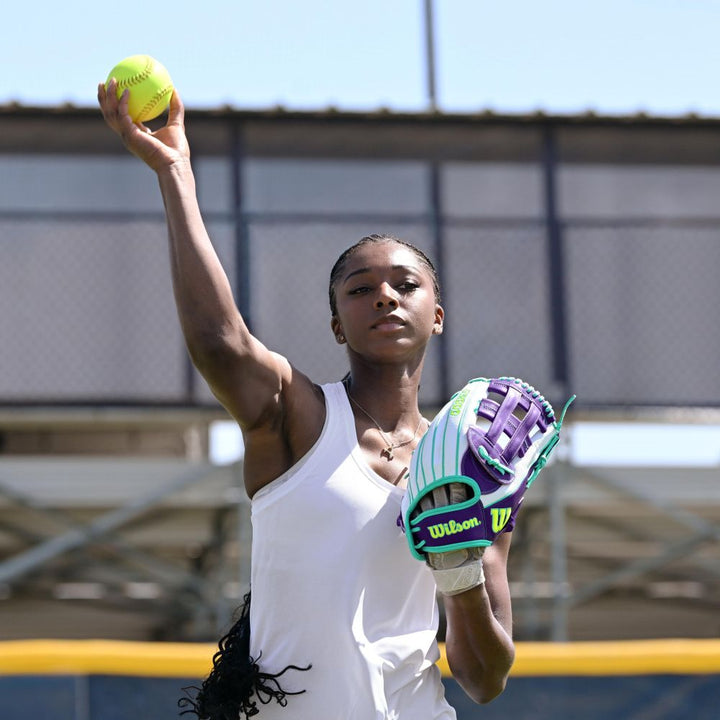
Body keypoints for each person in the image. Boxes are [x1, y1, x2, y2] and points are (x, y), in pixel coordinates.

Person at [98, 81, 515, 719]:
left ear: (436, 316)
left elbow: (485, 679)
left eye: (406, 284)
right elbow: (219, 341)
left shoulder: (476, 468)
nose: (385, 296)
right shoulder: (300, 418)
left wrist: (459, 577)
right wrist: (176, 171)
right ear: (336, 326)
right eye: (360, 288)